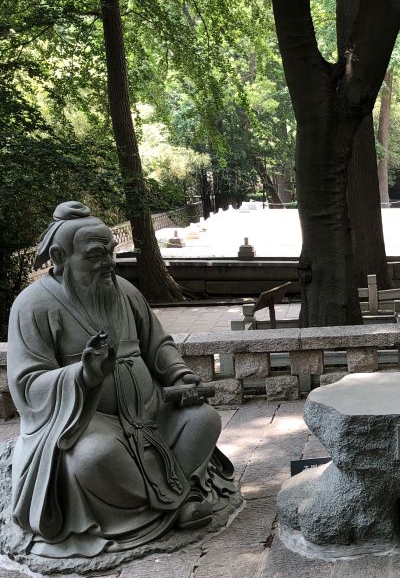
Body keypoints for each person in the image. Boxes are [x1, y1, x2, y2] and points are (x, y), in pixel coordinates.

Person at [7, 202, 236, 558]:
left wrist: (180, 375)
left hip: (150, 412)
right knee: (93, 458)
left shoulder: (125, 292)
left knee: (203, 420)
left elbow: (157, 344)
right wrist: (82, 375)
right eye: (95, 255)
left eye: (110, 252)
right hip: (86, 420)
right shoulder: (32, 306)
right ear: (59, 256)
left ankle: (185, 492)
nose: (109, 263)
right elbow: (27, 384)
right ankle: (158, 511)